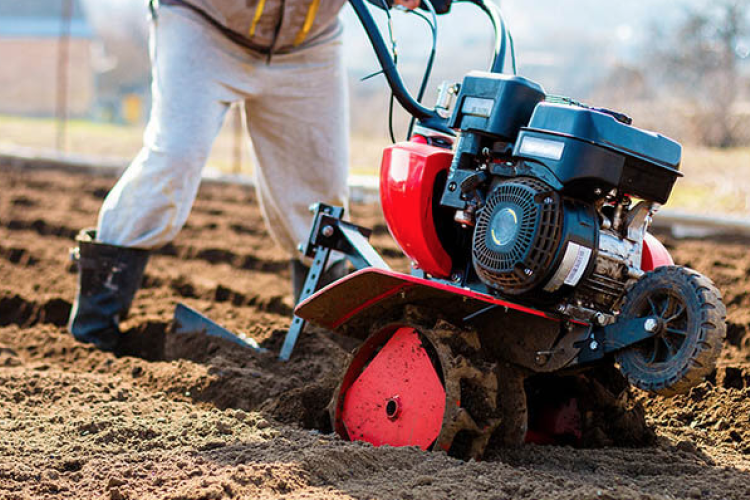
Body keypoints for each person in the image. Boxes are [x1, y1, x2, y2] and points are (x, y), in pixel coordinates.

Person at [67, 0, 426, 352]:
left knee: (321, 197)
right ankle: (95, 325)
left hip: (307, 45)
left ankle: (322, 345)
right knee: (174, 157)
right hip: (204, 24)